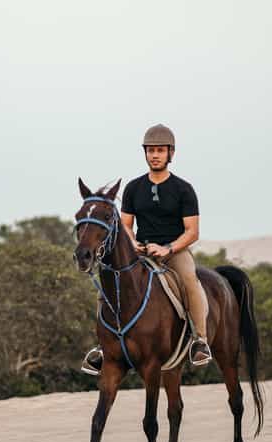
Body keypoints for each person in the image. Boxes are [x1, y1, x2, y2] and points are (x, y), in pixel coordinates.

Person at [81, 124, 213, 376]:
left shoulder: (183, 189)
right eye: (151, 150)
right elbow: (126, 225)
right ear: (145, 153)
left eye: (160, 150)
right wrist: (132, 243)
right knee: (109, 280)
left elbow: (192, 232)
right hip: (140, 252)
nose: (155, 155)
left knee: (189, 280)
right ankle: (102, 346)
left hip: (174, 252)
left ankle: (200, 340)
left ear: (170, 154)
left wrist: (168, 249)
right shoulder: (133, 188)